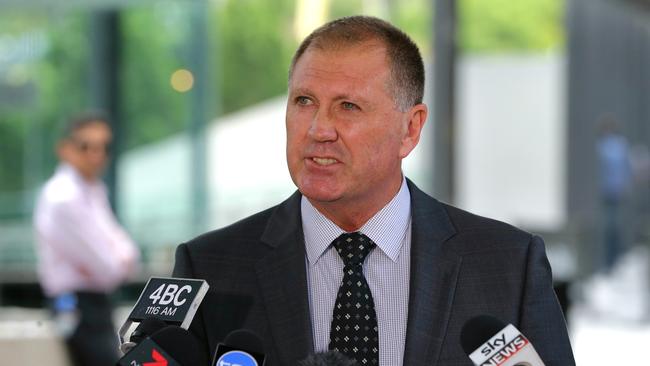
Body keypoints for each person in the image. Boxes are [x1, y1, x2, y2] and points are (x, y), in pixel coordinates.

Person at [173, 16, 575, 365]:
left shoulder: (506, 265)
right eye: (304, 101)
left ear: (411, 128)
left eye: (348, 106)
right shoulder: (211, 267)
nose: (318, 129)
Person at [34, 113, 140, 366]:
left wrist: (116, 257)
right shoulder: (64, 197)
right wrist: (116, 257)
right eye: (86, 146)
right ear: (65, 149)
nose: (96, 154)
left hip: (92, 303)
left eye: (103, 146)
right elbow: (109, 267)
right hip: (77, 305)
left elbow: (127, 255)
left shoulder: (92, 190)